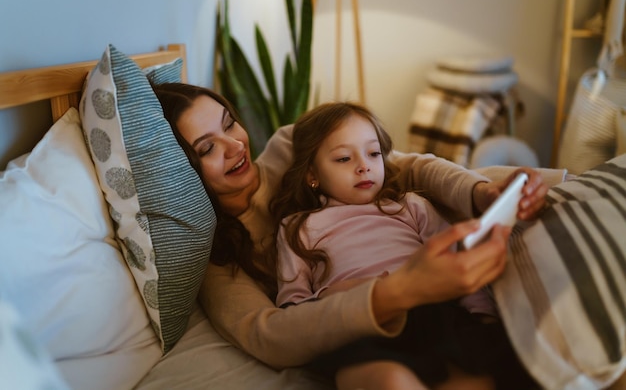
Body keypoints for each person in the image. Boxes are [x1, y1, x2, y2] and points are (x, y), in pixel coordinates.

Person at [152, 82, 548, 389]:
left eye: (229, 123)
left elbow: (404, 168)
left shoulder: (290, 147)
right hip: (367, 325)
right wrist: (396, 290)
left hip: (436, 264)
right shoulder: (219, 256)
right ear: (182, 172)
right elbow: (269, 332)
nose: (235, 144)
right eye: (206, 148)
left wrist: (480, 191)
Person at [271, 102, 537, 390]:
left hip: (435, 315)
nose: (364, 166)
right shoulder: (298, 227)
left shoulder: (408, 205)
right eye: (344, 158)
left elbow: (457, 260)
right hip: (359, 326)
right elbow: (294, 309)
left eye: (373, 154)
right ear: (312, 175)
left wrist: (482, 316)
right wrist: (339, 293)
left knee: (479, 376)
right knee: (386, 379)